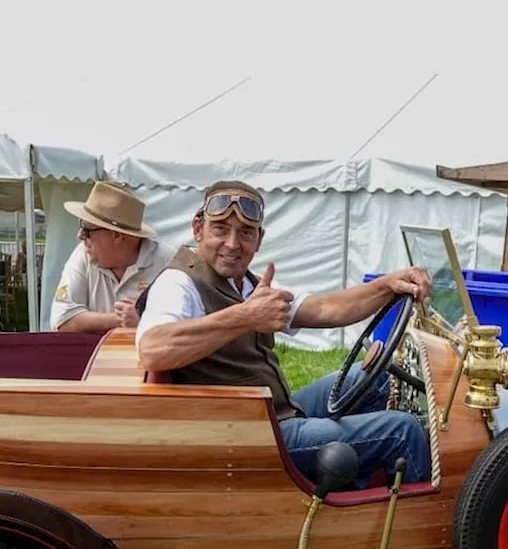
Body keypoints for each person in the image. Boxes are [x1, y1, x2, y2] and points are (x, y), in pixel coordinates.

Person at [134, 180, 433, 489]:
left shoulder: (245, 283)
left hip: (275, 412)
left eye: (246, 233)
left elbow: (324, 308)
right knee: (403, 431)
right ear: (198, 229)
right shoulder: (178, 283)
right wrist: (245, 316)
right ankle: (418, 526)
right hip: (249, 436)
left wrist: (387, 286)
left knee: (377, 377)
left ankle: (349, 488)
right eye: (220, 229)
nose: (233, 244)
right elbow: (153, 350)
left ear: (259, 239)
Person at [50, 181, 175, 333]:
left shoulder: (169, 263)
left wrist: (142, 321)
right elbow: (62, 320)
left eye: (87, 230)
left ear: (117, 235)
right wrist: (120, 319)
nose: (80, 236)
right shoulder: (84, 254)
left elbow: (184, 326)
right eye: (80, 225)